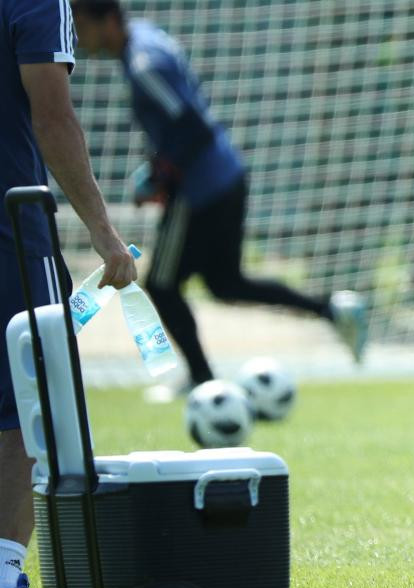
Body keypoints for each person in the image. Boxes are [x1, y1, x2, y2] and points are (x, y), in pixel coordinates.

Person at [70, 1, 369, 395]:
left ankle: (202, 380)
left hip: (201, 188)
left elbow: (190, 126)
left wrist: (160, 175)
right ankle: (332, 310)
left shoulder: (144, 65)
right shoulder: (146, 39)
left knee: (162, 285)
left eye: (80, 25)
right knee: (226, 284)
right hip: (224, 176)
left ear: (106, 20)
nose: (78, 36)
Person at [0, 0, 137, 588]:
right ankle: (3, 584)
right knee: (28, 403)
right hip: (9, 226)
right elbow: (53, 116)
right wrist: (107, 237)